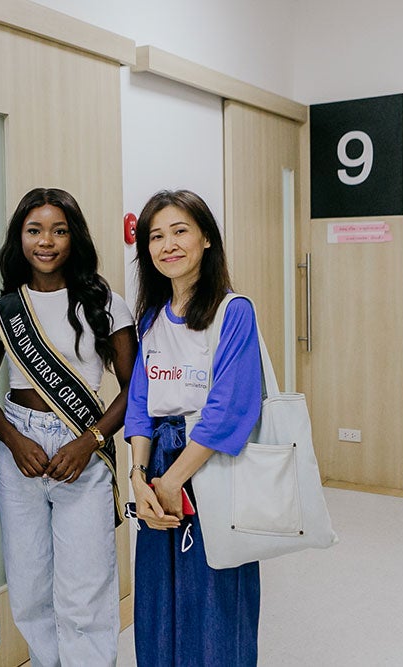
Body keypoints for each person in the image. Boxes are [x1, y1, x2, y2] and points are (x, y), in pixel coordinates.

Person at [0, 187, 137, 666]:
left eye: (59, 230)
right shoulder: (4, 308)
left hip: (83, 445)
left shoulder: (105, 302)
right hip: (20, 450)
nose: (45, 241)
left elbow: (136, 390)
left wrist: (90, 442)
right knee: (29, 587)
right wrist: (14, 440)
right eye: (34, 230)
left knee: (85, 587)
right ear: (19, 239)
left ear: (75, 238)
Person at [124, 189, 262, 666]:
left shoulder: (233, 311)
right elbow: (140, 405)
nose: (168, 245)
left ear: (205, 237)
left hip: (209, 462)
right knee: (158, 599)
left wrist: (173, 480)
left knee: (215, 595)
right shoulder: (150, 319)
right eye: (155, 236)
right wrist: (139, 480)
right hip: (159, 465)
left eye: (180, 231)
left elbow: (228, 409)